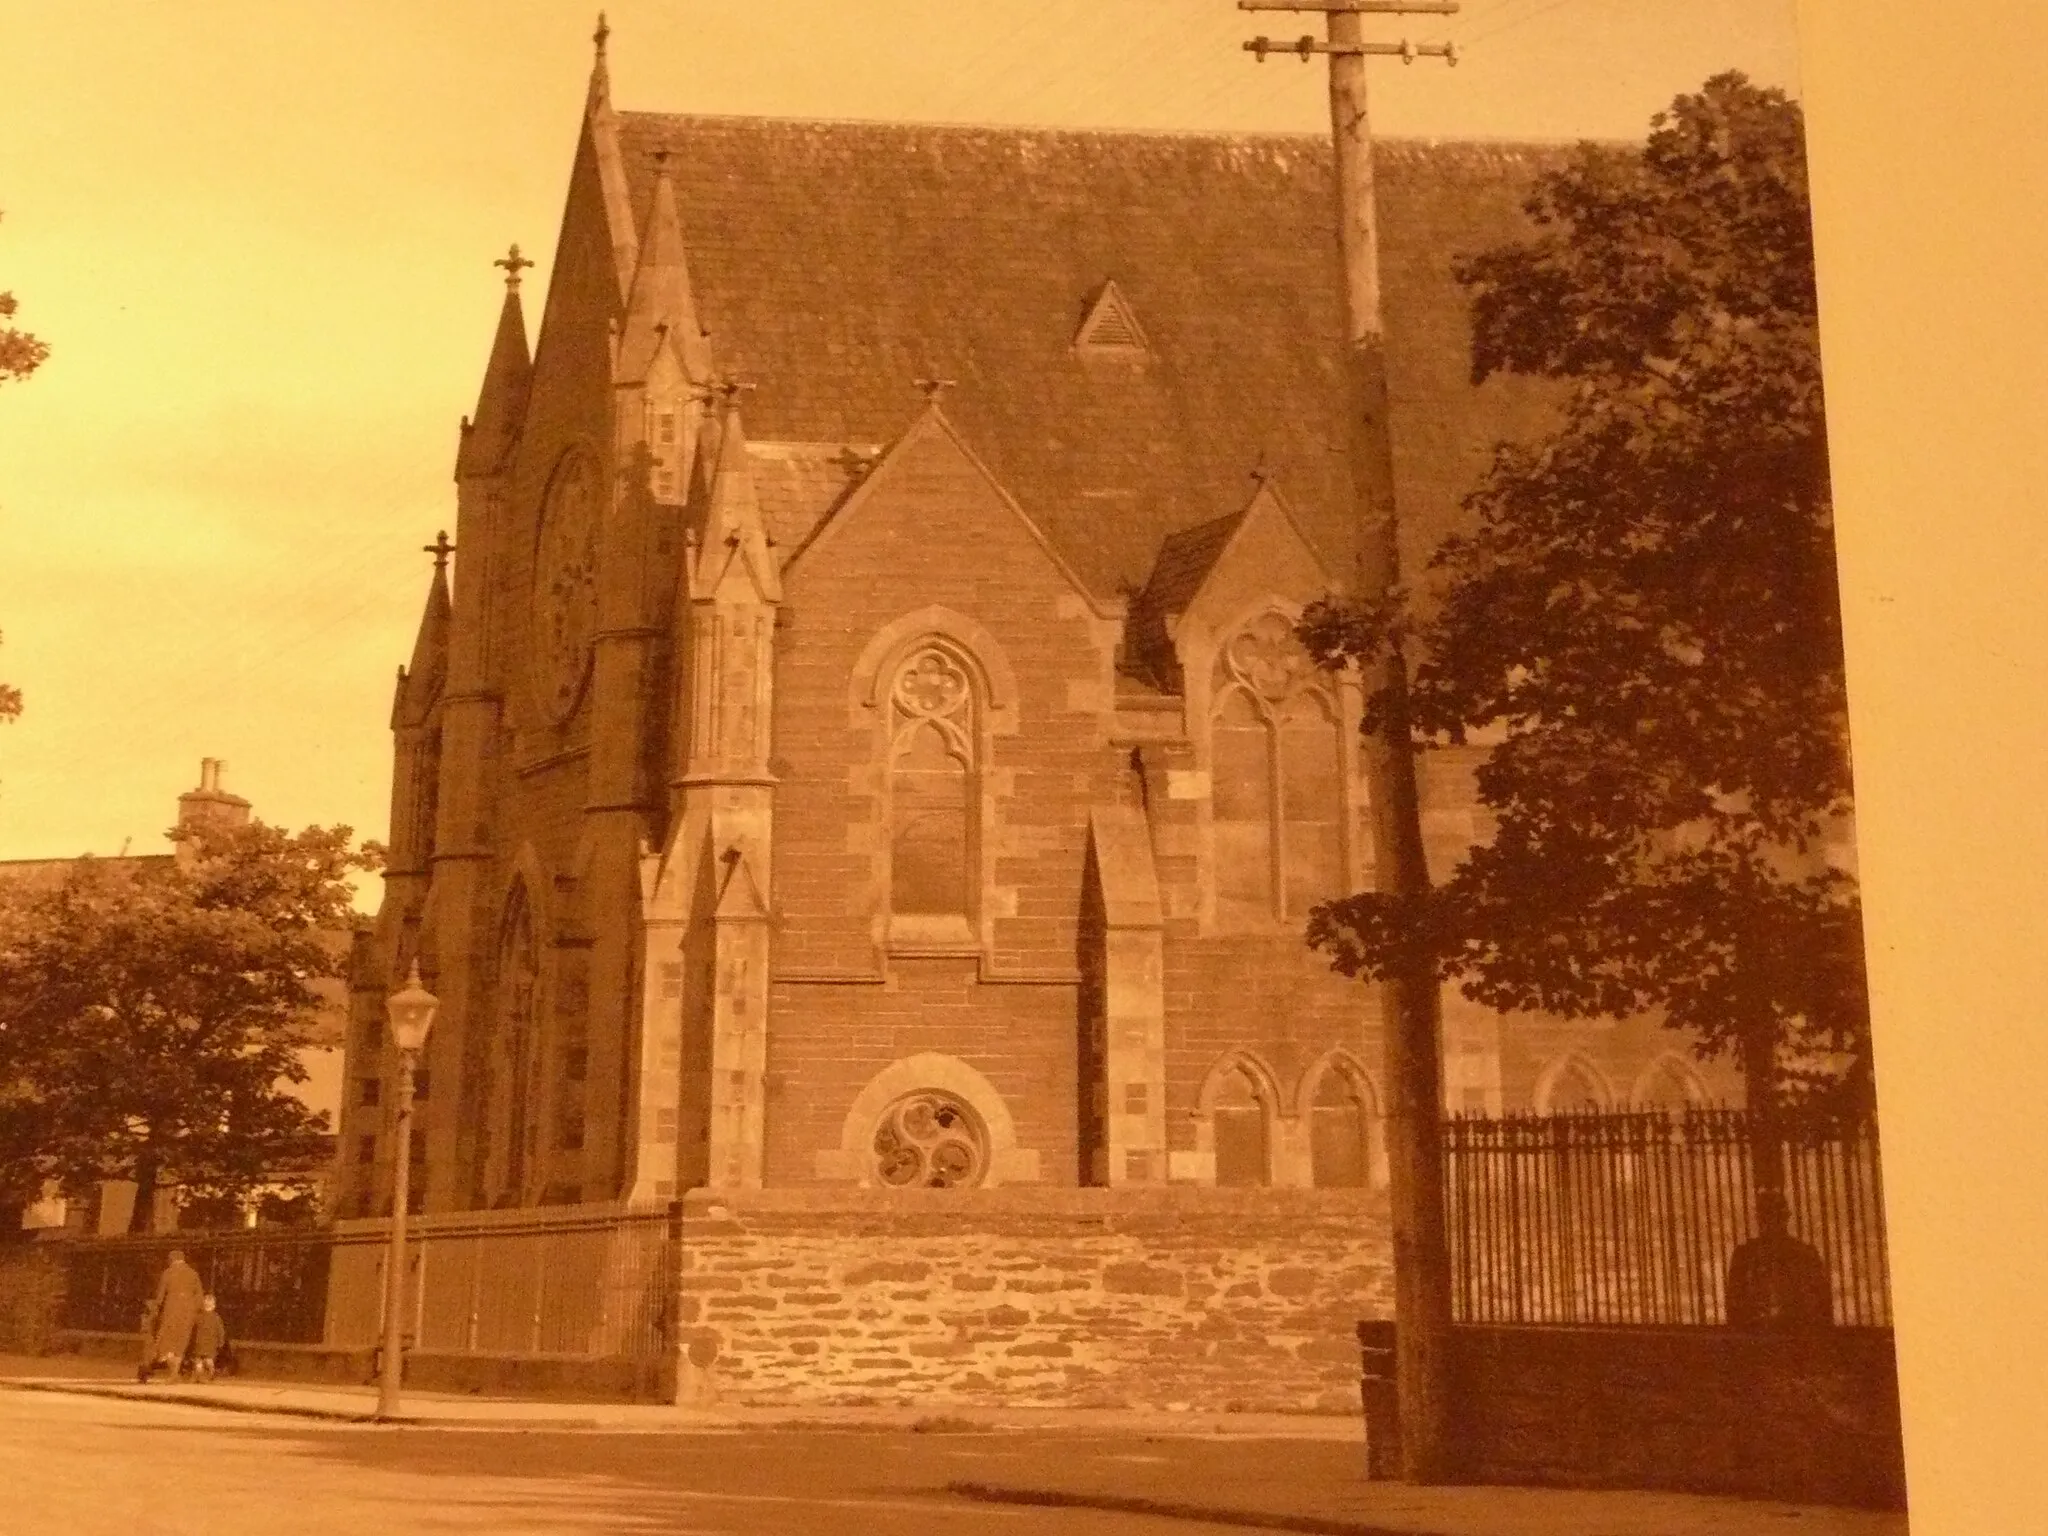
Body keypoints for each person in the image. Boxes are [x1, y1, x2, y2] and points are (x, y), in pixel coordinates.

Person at [1725, 1188, 1833, 1329]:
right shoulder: (1744, 1256)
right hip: (1755, 1337)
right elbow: (1734, 1307)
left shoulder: (1806, 1255)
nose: (1770, 1222)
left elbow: (1821, 1307)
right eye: (1765, 1216)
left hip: (1797, 1336)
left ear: (1785, 1217)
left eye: (1775, 1216)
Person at [142, 1248, 205, 1381]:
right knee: (181, 1341)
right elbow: (199, 1294)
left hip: (172, 1309)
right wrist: (196, 1309)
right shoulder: (193, 1274)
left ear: (172, 1260)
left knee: (167, 1342)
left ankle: (173, 1373)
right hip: (188, 1311)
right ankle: (175, 1373)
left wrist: (156, 1308)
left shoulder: (168, 1273)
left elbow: (161, 1294)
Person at [189, 1295, 228, 1382]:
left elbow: (193, 1329)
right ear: (214, 1306)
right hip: (211, 1343)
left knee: (198, 1360)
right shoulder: (216, 1318)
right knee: (209, 1359)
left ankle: (199, 1374)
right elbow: (220, 1331)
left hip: (199, 1343)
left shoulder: (198, 1317)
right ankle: (210, 1373)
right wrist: (220, 1342)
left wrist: (192, 1340)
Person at [135, 1298, 159, 1385]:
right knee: (146, 1357)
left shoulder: (153, 1315)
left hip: (152, 1336)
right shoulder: (147, 1316)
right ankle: (144, 1375)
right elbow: (145, 1326)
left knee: (149, 1357)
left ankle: (145, 1374)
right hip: (149, 1336)